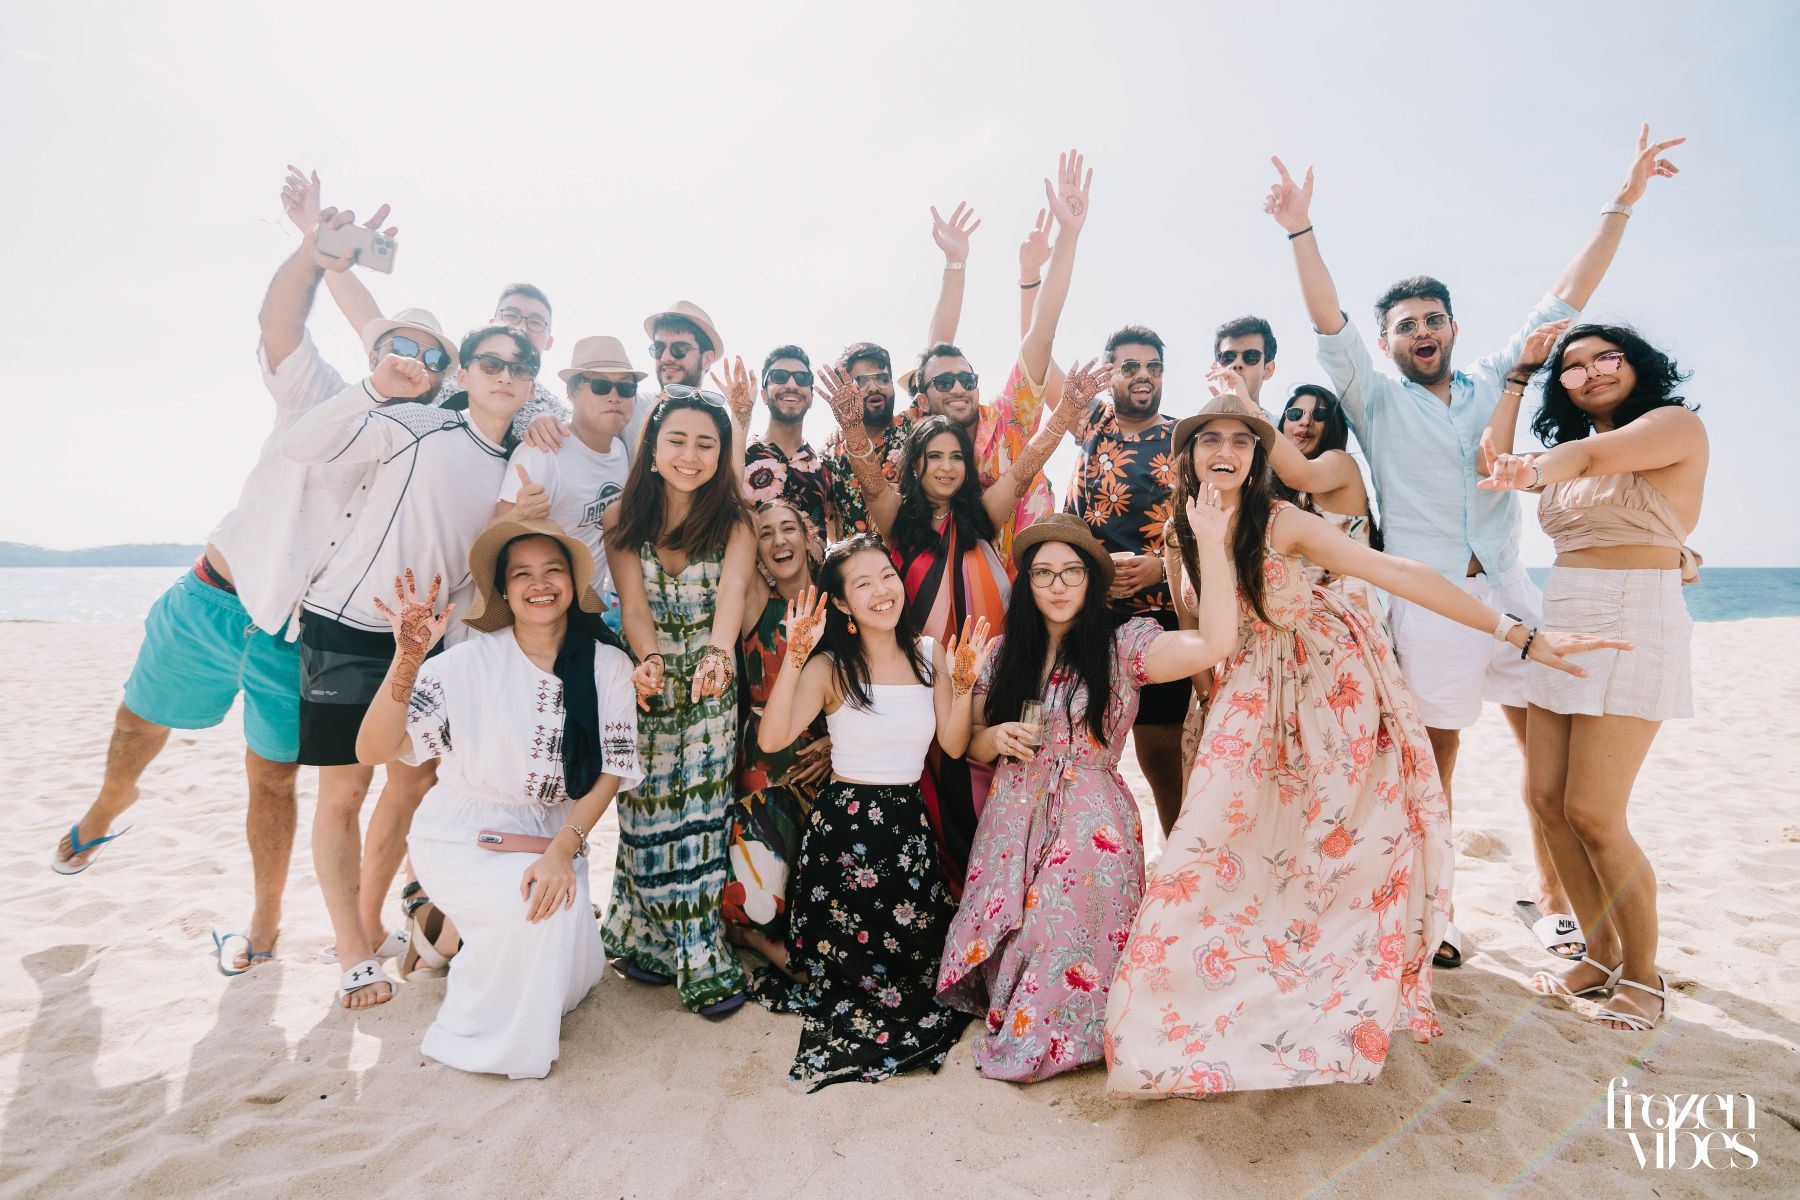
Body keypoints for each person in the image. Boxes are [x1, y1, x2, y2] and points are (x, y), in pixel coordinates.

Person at [1103, 379, 1628, 1099]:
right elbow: (1200, 630)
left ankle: (1328, 998)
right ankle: (1226, 997)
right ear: (1187, 455)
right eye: (1209, 439)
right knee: (1226, 849)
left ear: (1257, 455)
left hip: (1327, 693)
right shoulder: (1179, 530)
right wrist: (1210, 710)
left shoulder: (1282, 520)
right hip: (1243, 695)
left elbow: (1395, 571)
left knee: (1329, 850)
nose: (1225, 450)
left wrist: (1522, 635)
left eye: (1240, 439)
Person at [1262, 124, 1683, 967]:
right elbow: (1325, 318)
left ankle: (1554, 905)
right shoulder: (1374, 398)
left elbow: (1567, 294)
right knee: (1437, 762)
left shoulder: (1498, 376)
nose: (1421, 331)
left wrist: (1623, 200)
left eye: (1432, 319)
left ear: (1452, 326)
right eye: (1405, 325)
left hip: (1515, 587)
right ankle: (1439, 913)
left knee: (1547, 759)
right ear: (1387, 342)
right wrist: (1300, 228)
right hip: (1430, 604)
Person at [50, 207, 451, 984]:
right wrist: (312, 253)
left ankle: (264, 924)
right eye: (400, 344)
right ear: (376, 351)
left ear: (441, 378)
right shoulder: (317, 394)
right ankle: (108, 806)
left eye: (431, 355)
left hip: (294, 637)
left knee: (271, 779)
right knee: (138, 724)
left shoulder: (425, 449)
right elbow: (280, 322)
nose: (414, 359)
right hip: (212, 597)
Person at [936, 506, 1238, 1082]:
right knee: (1015, 937)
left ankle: (1056, 1033)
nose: (1057, 585)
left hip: (1090, 817)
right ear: (1027, 583)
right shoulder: (1002, 653)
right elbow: (970, 742)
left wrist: (1210, 543)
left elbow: (1215, 642)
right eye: (1043, 573)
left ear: (1092, 579)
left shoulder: (1124, 645)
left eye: (1071, 571)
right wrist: (994, 736)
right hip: (1012, 816)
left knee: (1055, 927)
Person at [284, 324, 538, 1006]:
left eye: (519, 367)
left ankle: (369, 926)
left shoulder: (518, 466)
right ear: (466, 372)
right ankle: (350, 949)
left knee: (408, 788)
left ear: (531, 386)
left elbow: (472, 572)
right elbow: (302, 445)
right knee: (343, 792)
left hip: (426, 643)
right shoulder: (418, 424)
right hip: (349, 624)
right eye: (490, 363)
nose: (504, 375)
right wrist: (371, 389)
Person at [353, 521, 642, 1077]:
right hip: (461, 832)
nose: (540, 583)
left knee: (574, 975)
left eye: (553, 570)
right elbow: (373, 749)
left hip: (554, 836)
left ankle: (446, 934)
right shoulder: (462, 664)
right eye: (522, 574)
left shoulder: (608, 665)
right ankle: (474, 1005)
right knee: (537, 913)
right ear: (503, 591)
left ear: (573, 581)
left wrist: (562, 850)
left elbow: (613, 770)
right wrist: (407, 658)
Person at [1481, 325, 1706, 1033]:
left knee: (1596, 813)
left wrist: (1531, 471)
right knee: (1547, 800)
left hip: (1635, 616)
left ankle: (1644, 975)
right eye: (1573, 368)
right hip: (1565, 615)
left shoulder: (1673, 424)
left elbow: (1592, 457)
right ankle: (1599, 955)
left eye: (1605, 357)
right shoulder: (1568, 448)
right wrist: (1518, 379)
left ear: (1636, 363)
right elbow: (1494, 458)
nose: (1591, 373)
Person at [823, 360, 1112, 884]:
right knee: (932, 789)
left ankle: (987, 891)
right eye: (934, 456)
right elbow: (868, 478)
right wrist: (850, 425)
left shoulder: (983, 514)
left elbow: (1024, 467)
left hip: (988, 678)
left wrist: (1065, 410)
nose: (946, 467)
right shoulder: (896, 518)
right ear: (915, 465)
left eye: (956, 456)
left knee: (984, 784)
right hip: (921, 680)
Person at [751, 537, 989, 1089]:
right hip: (843, 837)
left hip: (907, 834)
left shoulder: (930, 653)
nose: (882, 591)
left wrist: (963, 686)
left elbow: (954, 746)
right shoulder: (829, 667)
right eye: (863, 584)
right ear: (841, 603)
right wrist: (794, 657)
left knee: (922, 979)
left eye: (886, 576)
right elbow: (772, 739)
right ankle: (762, 941)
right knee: (844, 982)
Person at [601, 387, 756, 1017]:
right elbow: (634, 607)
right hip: (645, 678)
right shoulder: (623, 517)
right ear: (653, 446)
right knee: (643, 814)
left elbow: (731, 598)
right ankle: (647, 939)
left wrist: (717, 655)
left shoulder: (735, 520)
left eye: (706, 444)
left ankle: (700, 954)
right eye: (678, 441)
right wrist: (650, 661)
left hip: (712, 684)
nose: (691, 456)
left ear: (722, 453)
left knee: (699, 818)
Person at [893, 152, 1096, 562]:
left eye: (966, 380)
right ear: (922, 398)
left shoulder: (1009, 419)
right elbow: (936, 349)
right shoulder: (920, 439)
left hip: (1034, 581)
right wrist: (955, 264)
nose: (958, 388)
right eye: (944, 383)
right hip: (957, 585)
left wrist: (1069, 235)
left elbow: (1041, 333)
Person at [280, 167, 570, 443]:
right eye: (511, 314)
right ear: (491, 324)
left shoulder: (554, 412)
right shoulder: (445, 373)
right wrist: (318, 236)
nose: (521, 325)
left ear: (549, 341)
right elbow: (370, 322)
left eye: (536, 321)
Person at [1065, 323, 1188, 834]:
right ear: (1108, 373)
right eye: (1130, 366)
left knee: (1161, 749)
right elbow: (1037, 362)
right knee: (1082, 743)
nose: (1144, 375)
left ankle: (1178, 851)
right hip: (1089, 614)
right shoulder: (1091, 424)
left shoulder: (1184, 437)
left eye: (1153, 366)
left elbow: (1212, 520)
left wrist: (1161, 564)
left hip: (1164, 612)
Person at [821, 202, 982, 536]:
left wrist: (955, 264)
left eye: (882, 378)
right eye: (861, 381)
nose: (874, 387)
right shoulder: (830, 453)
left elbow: (939, 350)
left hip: (920, 558)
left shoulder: (913, 425)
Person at [724, 499, 832, 969]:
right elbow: (732, 519)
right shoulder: (755, 600)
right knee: (759, 906)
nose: (778, 540)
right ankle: (753, 937)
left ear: (808, 539)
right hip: (765, 770)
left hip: (832, 765)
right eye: (765, 533)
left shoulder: (839, 600)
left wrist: (837, 743)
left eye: (788, 529)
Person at [495, 335, 647, 598]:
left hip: (590, 609)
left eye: (625, 387)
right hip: (541, 606)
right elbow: (492, 540)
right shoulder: (541, 451)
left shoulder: (620, 450)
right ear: (571, 392)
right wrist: (517, 515)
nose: (614, 397)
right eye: (600, 385)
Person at [1269, 384, 1384, 621]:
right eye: (1295, 414)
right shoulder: (1278, 490)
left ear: (1333, 425)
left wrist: (1251, 410)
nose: (1305, 422)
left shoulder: (1340, 463)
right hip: (1301, 620)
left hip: (1349, 618)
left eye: (1320, 415)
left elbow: (1301, 475)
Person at [730, 345, 837, 539]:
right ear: (763, 394)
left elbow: (836, 534)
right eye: (779, 376)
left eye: (802, 378)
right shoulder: (738, 455)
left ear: (811, 397)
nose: (792, 384)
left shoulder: (825, 466)